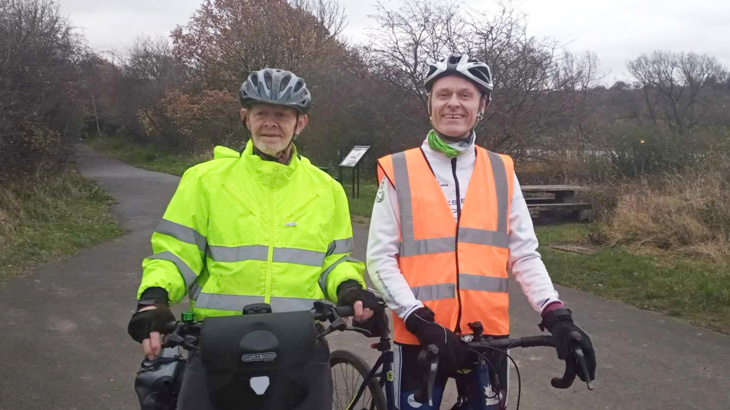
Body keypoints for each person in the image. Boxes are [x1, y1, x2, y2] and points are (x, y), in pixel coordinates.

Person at [127, 68, 378, 410]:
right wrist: (154, 299)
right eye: (262, 113)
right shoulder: (205, 181)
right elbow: (176, 253)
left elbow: (335, 261)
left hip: (300, 344)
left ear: (299, 123)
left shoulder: (327, 190)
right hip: (217, 343)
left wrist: (350, 288)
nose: (271, 123)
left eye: (282, 114)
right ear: (246, 118)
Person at [367, 54, 597, 409]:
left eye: (465, 95)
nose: (453, 104)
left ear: (482, 105)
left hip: (487, 336)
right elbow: (380, 258)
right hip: (421, 335)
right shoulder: (399, 169)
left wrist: (555, 314)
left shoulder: (501, 170)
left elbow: (522, 252)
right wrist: (416, 317)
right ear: (429, 104)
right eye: (443, 94)